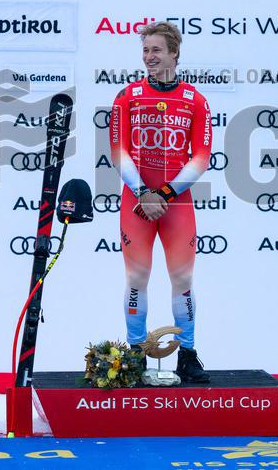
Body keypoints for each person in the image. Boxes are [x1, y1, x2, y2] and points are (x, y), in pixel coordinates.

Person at [109, 21, 213, 382]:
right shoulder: (127, 96)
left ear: (174, 53)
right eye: (145, 50)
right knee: (137, 277)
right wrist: (143, 192)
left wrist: (165, 193)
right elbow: (118, 151)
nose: (149, 57)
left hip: (175, 204)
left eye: (156, 50)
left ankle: (187, 354)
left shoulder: (195, 100)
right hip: (137, 199)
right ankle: (136, 353)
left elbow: (201, 157)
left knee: (182, 278)